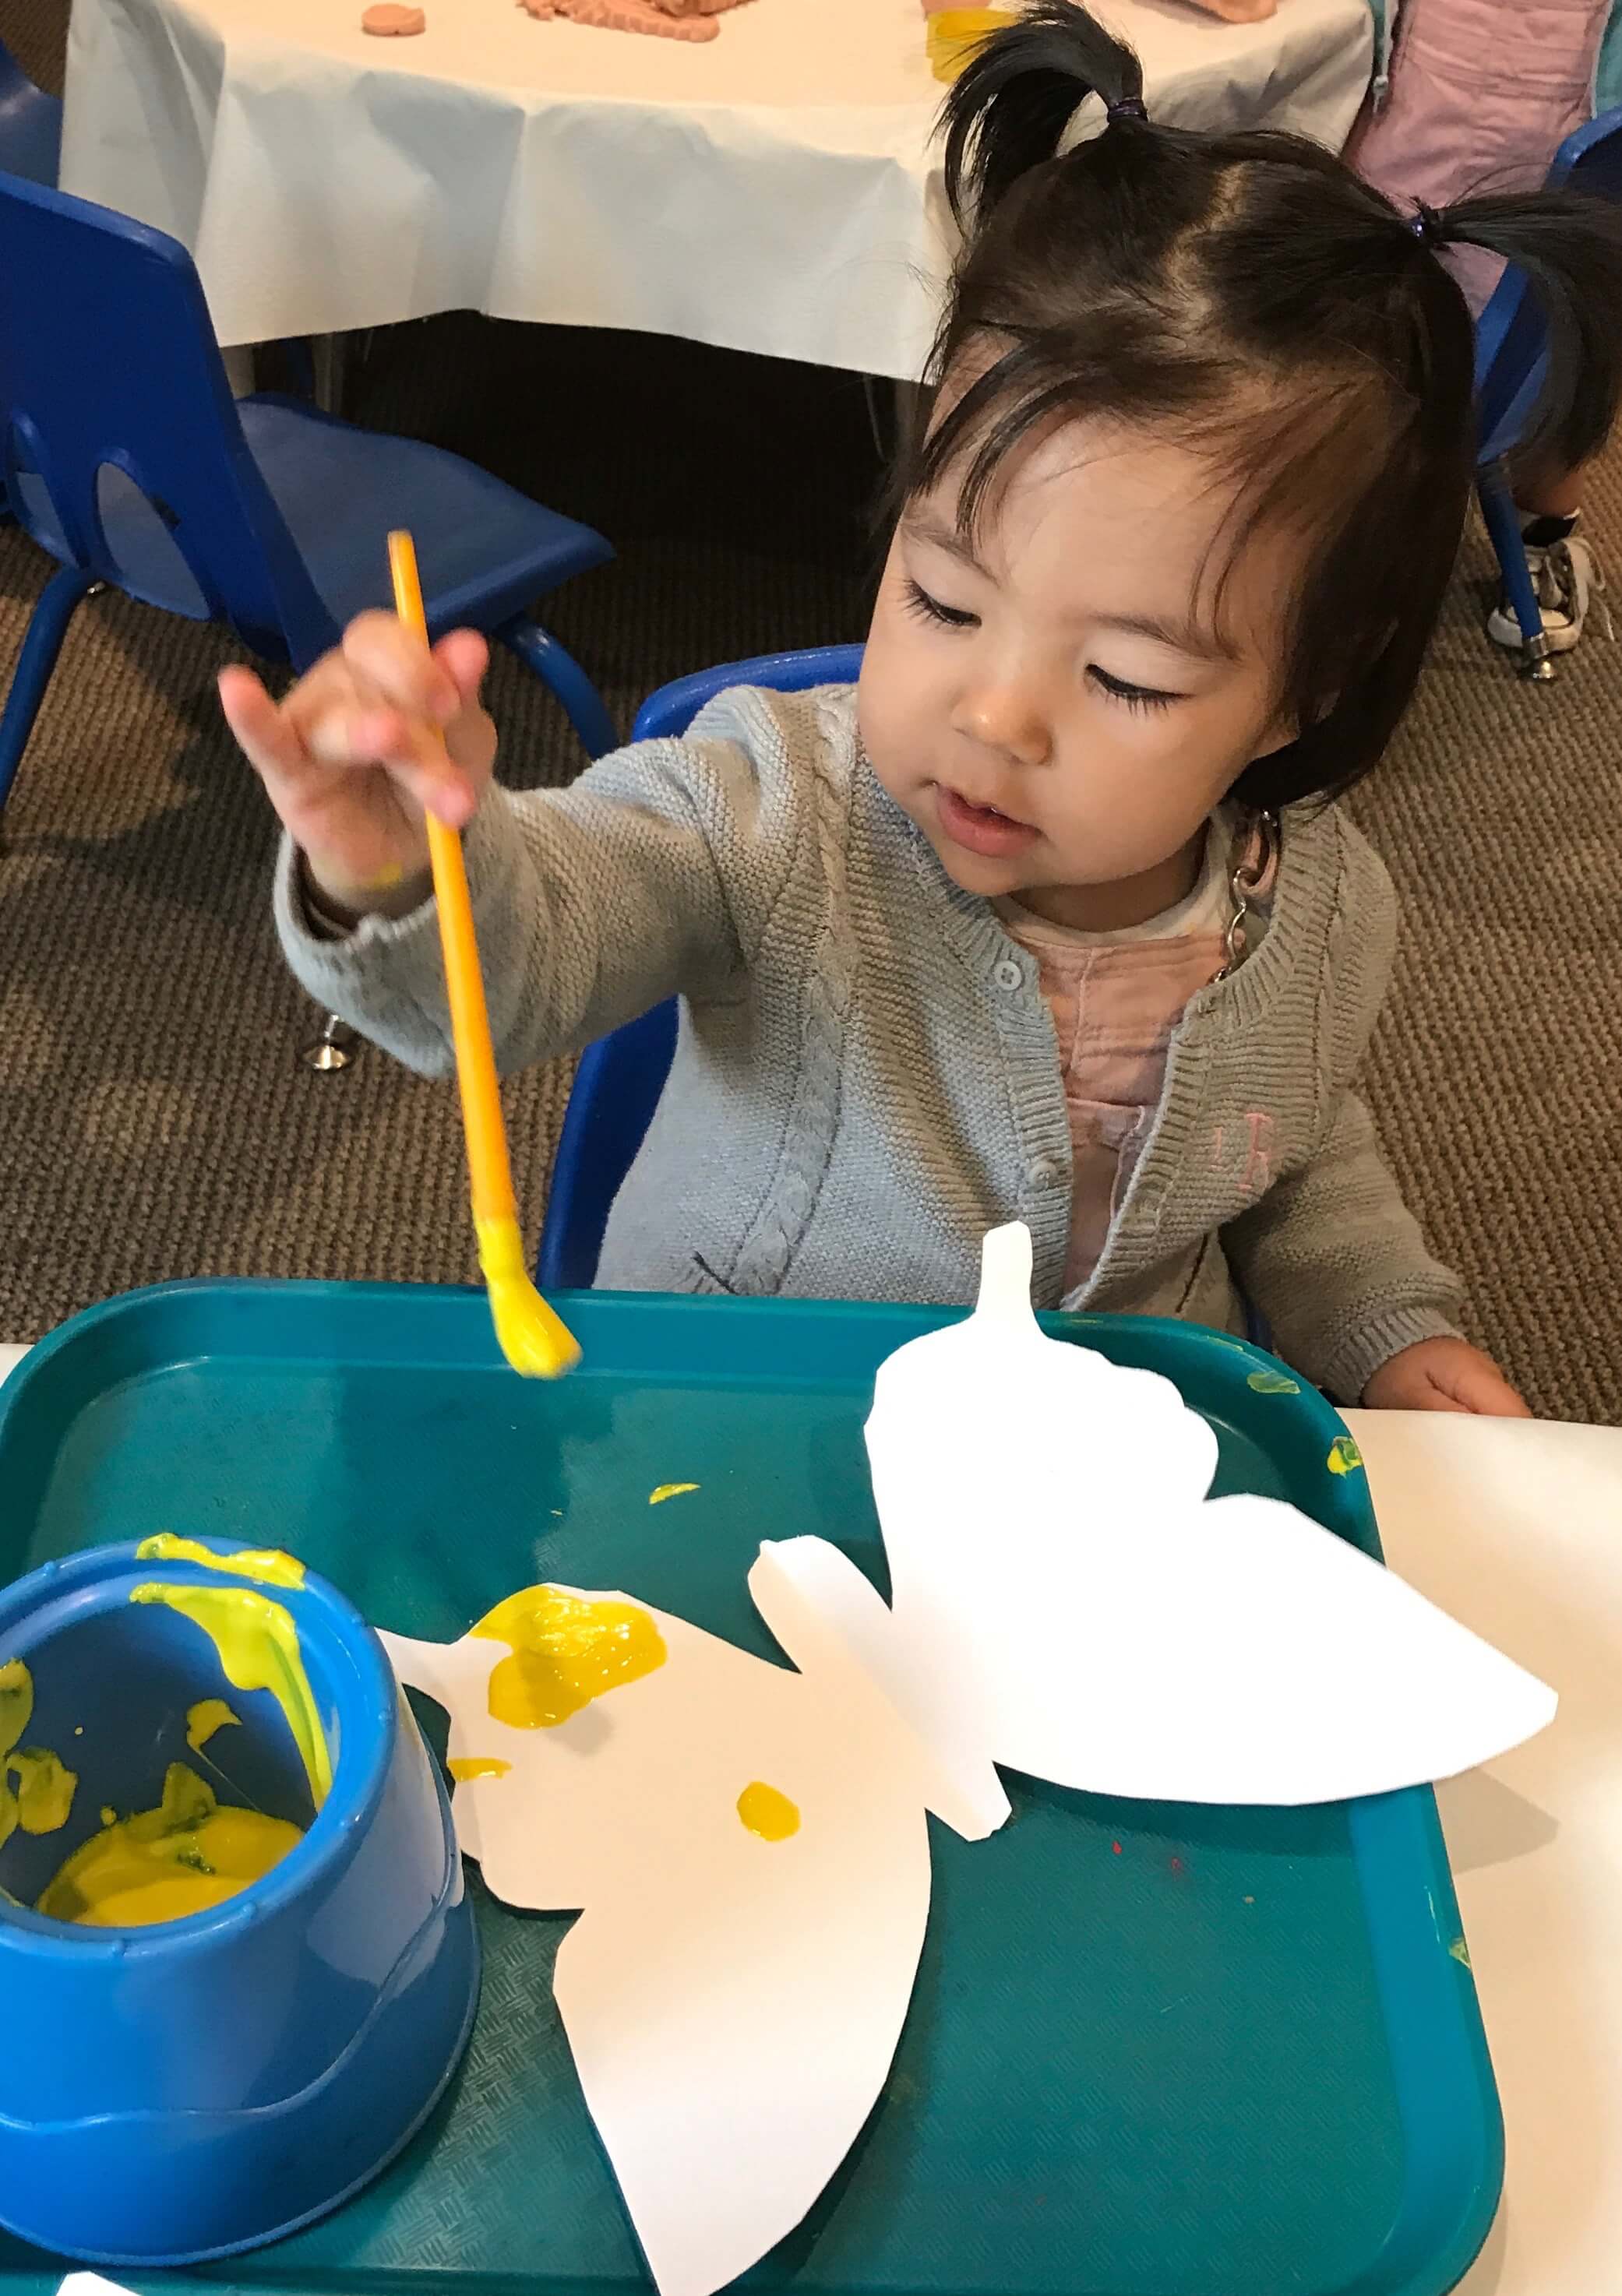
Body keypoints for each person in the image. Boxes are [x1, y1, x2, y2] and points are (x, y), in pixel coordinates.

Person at [220, 2, 1622, 1414]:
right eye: (946, 600)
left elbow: (1293, 1152)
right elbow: (531, 952)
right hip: (737, 1431)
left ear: (1298, 695)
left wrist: (1387, 1325)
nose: (994, 714)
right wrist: (404, 867)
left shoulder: (1322, 908)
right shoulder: (767, 814)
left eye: (1126, 676)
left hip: (1095, 1466)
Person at [1348, 0, 1619, 652]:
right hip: (1409, 142)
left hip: (1561, 179)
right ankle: (1366, 527)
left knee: (1558, 341)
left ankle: (1539, 531)